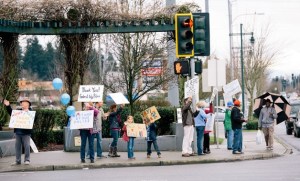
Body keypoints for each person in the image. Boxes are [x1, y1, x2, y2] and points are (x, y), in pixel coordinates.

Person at [4, 98, 33, 165]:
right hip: (18, 132)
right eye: (21, 103)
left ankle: (27, 160)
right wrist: (8, 105)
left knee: (27, 146)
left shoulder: (31, 112)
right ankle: (18, 160)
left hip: (26, 133)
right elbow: (11, 113)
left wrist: (27, 112)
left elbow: (32, 120)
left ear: (28, 104)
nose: (22, 104)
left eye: (23, 102)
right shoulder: (18, 111)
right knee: (17, 147)